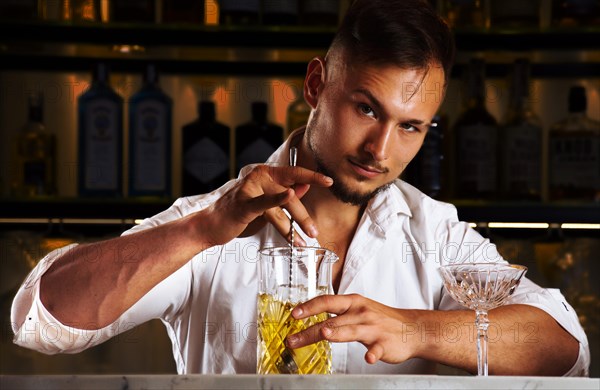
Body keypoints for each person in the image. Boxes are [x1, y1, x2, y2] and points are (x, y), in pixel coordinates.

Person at [11, 0, 589, 376]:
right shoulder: (207, 224)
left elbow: (565, 347)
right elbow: (41, 320)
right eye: (366, 108)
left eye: (409, 127)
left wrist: (414, 328)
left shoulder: (434, 234)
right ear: (316, 85)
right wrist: (200, 231)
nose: (380, 150)